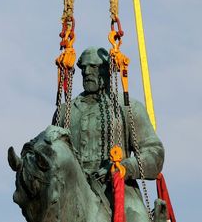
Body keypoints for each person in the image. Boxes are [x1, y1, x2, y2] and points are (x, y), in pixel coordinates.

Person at [53, 47, 165, 221]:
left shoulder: (127, 107)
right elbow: (51, 154)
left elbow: (155, 154)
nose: (87, 72)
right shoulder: (65, 112)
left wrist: (125, 168)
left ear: (107, 70)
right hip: (73, 192)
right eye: (83, 67)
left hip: (118, 189)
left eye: (94, 67)